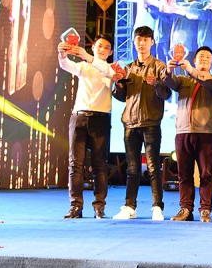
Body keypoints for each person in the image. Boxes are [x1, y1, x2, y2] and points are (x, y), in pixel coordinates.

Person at [111, 26, 172, 220]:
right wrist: (118, 83)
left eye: (146, 39)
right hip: (130, 123)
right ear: (134, 41)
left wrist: (156, 84)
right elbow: (121, 96)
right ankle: (130, 207)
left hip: (151, 122)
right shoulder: (128, 68)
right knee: (132, 168)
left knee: (153, 167)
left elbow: (167, 94)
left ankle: (157, 207)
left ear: (152, 42)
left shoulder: (160, 66)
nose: (142, 43)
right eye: (139, 39)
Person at [57, 34, 117, 219]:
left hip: (101, 119)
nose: (102, 50)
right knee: (75, 164)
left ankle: (99, 206)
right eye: (99, 46)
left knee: (100, 166)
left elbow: (112, 74)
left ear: (111, 52)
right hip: (79, 117)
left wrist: (88, 57)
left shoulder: (111, 68)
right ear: (93, 47)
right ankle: (75, 206)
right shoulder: (83, 66)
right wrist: (62, 54)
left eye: (106, 47)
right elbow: (66, 65)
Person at [162, 46, 212, 222]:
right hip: (183, 132)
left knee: (206, 174)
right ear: (194, 60)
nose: (204, 59)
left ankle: (205, 209)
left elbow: (209, 82)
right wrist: (168, 70)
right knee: (184, 175)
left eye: (208, 58)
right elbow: (168, 82)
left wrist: (190, 69)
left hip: (205, 133)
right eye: (200, 57)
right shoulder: (183, 80)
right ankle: (185, 209)